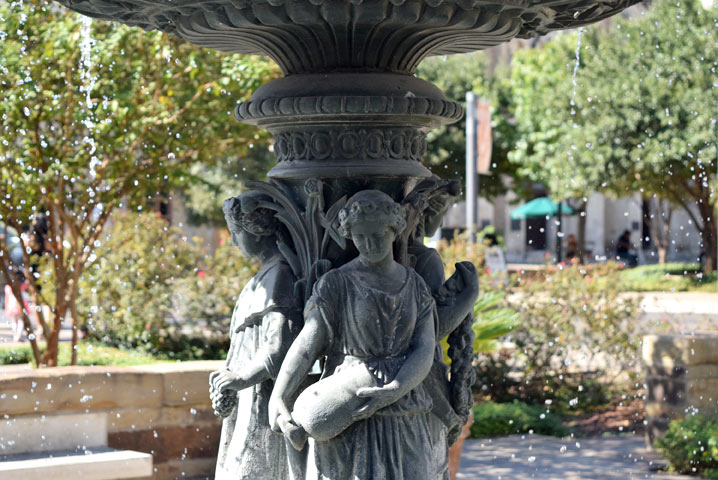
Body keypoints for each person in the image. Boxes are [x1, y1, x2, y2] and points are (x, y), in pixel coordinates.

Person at [268, 190, 439, 480]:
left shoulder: (415, 285)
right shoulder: (336, 283)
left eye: (377, 235)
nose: (369, 244)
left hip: (403, 402)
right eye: (360, 237)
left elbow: (424, 348)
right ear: (349, 235)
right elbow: (307, 346)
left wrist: (396, 388)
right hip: (347, 399)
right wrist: (279, 396)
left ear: (393, 231)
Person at [209, 192, 304, 480]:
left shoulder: (279, 278)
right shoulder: (261, 278)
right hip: (248, 395)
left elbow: (279, 349)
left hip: (264, 397)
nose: (234, 241)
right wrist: (226, 380)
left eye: (237, 233)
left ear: (258, 231)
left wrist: (239, 379)